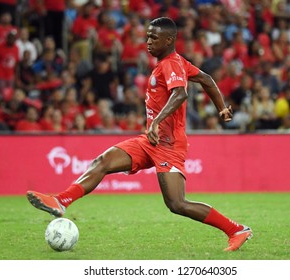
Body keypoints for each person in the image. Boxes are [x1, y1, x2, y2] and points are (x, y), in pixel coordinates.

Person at [27, 17, 252, 252]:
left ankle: (236, 229)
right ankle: (61, 200)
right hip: (150, 140)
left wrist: (157, 122)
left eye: (154, 37)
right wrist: (221, 107)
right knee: (103, 161)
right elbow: (206, 79)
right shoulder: (175, 63)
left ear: (169, 39)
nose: (148, 41)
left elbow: (180, 95)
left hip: (168, 143)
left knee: (176, 203)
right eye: (147, 36)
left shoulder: (171, 64)